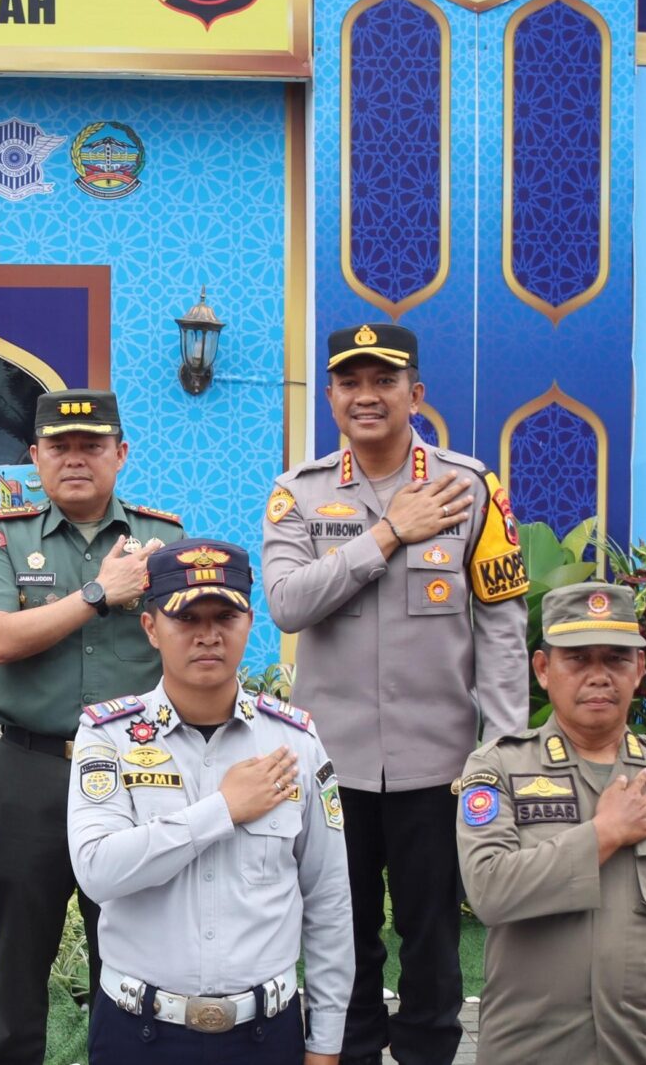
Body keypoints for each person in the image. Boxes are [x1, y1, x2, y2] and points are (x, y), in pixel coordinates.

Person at [259, 322, 528, 1065]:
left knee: (433, 939)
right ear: (331, 397)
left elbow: (503, 632)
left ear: (416, 394)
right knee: (340, 937)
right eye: (350, 382)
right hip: (332, 770)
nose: (367, 396)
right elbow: (286, 604)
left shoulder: (470, 489)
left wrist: (503, 751)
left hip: (439, 768)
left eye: (384, 381)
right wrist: (386, 536)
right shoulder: (298, 493)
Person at [0, 388, 182, 1065]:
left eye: (92, 446)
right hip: (34, 771)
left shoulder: (165, 541)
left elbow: (191, 647)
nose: (76, 459)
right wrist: (98, 594)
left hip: (137, 772)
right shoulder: (2, 538)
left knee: (134, 950)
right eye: (60, 447)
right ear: (36, 457)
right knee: (20, 953)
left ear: (121, 453)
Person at [68, 539, 351, 1064]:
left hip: (265, 1036)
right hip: (140, 1034)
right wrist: (222, 810)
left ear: (249, 624)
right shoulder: (109, 736)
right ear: (151, 628)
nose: (208, 635)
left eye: (225, 616)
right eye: (186, 618)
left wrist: (326, 1043)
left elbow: (329, 898)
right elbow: (97, 871)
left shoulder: (295, 742)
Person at [456, 581, 646, 1065]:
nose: (599, 676)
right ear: (543, 669)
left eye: (616, 659)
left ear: (639, 670)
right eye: (578, 659)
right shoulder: (499, 768)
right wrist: (605, 834)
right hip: (532, 1049)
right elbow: (489, 891)